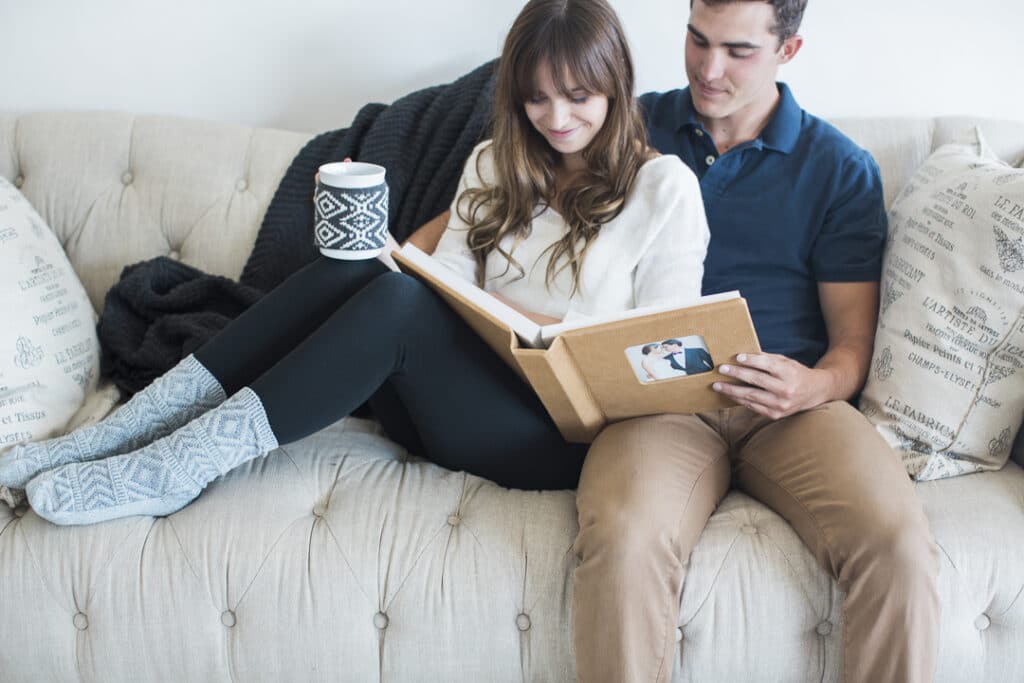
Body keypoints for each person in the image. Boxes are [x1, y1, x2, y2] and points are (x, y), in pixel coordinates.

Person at [0, 0, 710, 526]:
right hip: (444, 400)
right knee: (359, 270)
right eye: (537, 98)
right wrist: (393, 259)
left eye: (578, 97)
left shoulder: (666, 189)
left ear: (615, 87)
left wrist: (524, 324)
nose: (556, 118)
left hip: (554, 437)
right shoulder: (496, 162)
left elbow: (658, 361)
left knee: (399, 302)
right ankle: (116, 435)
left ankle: (172, 469)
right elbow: (452, 279)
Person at [570, 1, 941, 683]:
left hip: (792, 407)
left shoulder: (838, 167)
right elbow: (521, 188)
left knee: (900, 545)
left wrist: (812, 384)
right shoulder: (628, 127)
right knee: (624, 540)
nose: (709, 70)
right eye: (697, 40)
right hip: (659, 405)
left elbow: (852, 344)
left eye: (738, 51)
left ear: (788, 50)